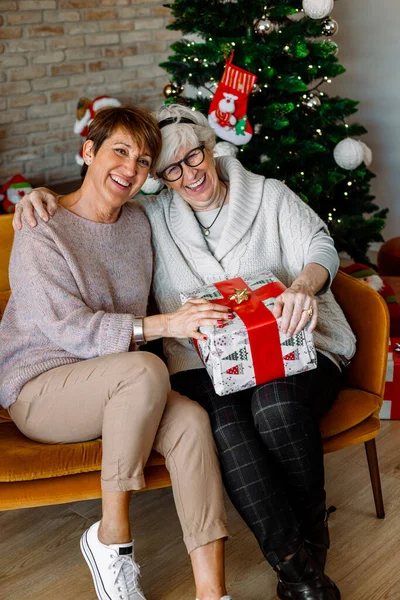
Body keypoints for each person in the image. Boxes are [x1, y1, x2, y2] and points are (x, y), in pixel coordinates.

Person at [14, 104, 356, 600]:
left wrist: (303, 284)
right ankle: (293, 572)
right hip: (148, 365)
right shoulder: (138, 219)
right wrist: (40, 197)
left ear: (210, 149)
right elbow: (84, 221)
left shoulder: (248, 198)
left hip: (282, 347)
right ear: (159, 180)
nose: (187, 173)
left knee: (240, 414)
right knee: (195, 402)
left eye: (192, 156)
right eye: (170, 168)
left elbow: (319, 244)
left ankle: (262, 564)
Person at [2, 106, 235, 600]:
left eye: (144, 161)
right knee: (144, 367)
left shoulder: (137, 223)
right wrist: (165, 324)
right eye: (120, 151)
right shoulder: (41, 228)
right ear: (88, 152)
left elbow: (198, 195)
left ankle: (212, 592)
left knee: (192, 424)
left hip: (126, 383)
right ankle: (111, 539)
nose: (131, 168)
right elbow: (68, 329)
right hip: (42, 390)